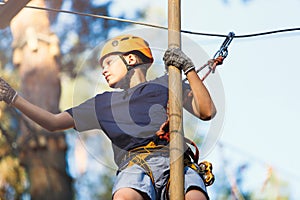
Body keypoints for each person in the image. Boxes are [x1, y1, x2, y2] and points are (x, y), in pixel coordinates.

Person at [0, 34, 216, 200]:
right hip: (137, 166)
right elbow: (53, 122)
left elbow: (207, 111)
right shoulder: (102, 104)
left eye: (109, 63)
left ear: (130, 58)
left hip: (177, 160)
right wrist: (13, 97)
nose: (103, 71)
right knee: (124, 196)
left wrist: (187, 69)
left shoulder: (167, 84)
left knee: (195, 197)